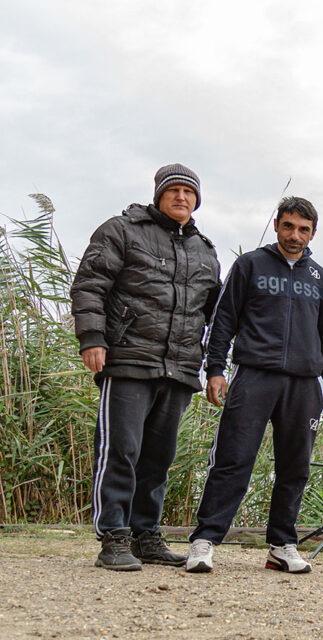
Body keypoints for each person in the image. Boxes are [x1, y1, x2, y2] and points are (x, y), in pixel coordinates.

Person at [70, 163, 222, 570]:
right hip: (128, 359)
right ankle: (113, 536)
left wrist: (214, 369)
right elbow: (89, 284)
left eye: (189, 192)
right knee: (121, 449)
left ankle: (145, 534)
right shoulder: (122, 230)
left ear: (197, 200)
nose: (181, 197)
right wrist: (93, 338)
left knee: (158, 456)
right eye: (173, 190)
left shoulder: (205, 250)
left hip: (179, 367)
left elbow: (216, 315)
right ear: (158, 194)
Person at [184, 196, 323, 574]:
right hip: (254, 375)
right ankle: (204, 541)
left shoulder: (321, 278)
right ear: (276, 225)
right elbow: (223, 321)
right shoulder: (250, 265)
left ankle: (282, 544)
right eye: (288, 226)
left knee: (295, 467)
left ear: (313, 233)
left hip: (304, 386)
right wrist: (216, 369)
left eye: (303, 229)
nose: (295, 235)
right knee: (234, 460)